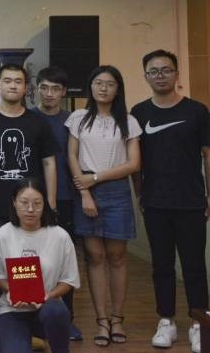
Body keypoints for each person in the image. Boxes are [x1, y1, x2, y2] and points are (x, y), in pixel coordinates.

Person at [130, 50, 210, 353]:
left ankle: (198, 324)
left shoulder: (197, 111)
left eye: (166, 70)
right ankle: (165, 321)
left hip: (191, 202)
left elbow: (209, 155)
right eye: (153, 71)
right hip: (155, 203)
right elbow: (135, 160)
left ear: (177, 74)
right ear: (146, 76)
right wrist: (139, 194)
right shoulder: (138, 112)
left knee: (194, 266)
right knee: (162, 265)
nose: (160, 76)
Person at [66, 65, 141, 347]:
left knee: (117, 257)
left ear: (118, 89)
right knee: (94, 256)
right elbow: (72, 156)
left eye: (110, 83)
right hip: (84, 188)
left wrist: (96, 178)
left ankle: (117, 318)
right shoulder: (78, 117)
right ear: (91, 86)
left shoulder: (128, 121)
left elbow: (134, 164)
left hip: (117, 190)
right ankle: (101, 320)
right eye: (98, 82)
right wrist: (85, 191)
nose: (103, 88)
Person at [0, 179, 80, 353]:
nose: (30, 209)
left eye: (37, 203)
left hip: (48, 307)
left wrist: (48, 296)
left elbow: (68, 281)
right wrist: (12, 290)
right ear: (14, 202)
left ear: (45, 203)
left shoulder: (60, 236)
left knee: (56, 311)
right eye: (24, 203)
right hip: (12, 310)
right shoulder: (2, 235)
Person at [0, 63, 59, 237]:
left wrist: (50, 203)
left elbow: (49, 164)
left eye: (18, 81)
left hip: (32, 209)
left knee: (32, 254)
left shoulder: (38, 122)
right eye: (7, 81)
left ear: (26, 87)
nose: (13, 86)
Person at [33, 66, 81, 342]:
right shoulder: (29, 117)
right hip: (32, 200)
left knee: (63, 259)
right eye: (44, 87)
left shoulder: (72, 121)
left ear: (64, 92)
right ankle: (31, 318)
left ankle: (67, 319)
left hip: (65, 198)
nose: (49, 94)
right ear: (36, 89)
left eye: (55, 89)